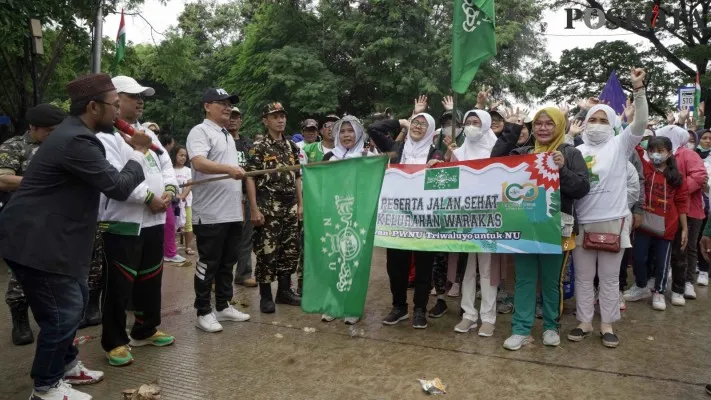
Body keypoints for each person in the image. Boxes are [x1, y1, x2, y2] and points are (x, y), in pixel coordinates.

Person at [0, 73, 152, 400]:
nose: (118, 112)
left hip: (56, 238)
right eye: (113, 105)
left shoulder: (78, 135)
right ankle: (45, 386)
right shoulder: (77, 141)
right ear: (94, 107)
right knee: (62, 314)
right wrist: (138, 153)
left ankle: (66, 366)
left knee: (76, 302)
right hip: (36, 240)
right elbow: (118, 187)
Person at [96, 75, 179, 366]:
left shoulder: (146, 132)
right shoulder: (106, 136)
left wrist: (169, 190)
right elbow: (116, 176)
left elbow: (165, 163)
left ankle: (145, 329)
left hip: (154, 220)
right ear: (115, 100)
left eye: (141, 95)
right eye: (133, 95)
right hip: (124, 221)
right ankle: (114, 341)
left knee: (151, 278)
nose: (140, 100)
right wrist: (148, 197)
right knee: (119, 285)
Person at [491, 107, 589, 350]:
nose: (543, 128)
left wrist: (562, 170)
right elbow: (495, 162)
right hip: (524, 226)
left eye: (549, 124)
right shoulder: (522, 152)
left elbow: (581, 189)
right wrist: (513, 127)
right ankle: (521, 329)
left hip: (556, 228)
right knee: (524, 279)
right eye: (538, 124)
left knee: (551, 280)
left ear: (559, 126)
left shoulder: (570, 152)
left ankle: (550, 327)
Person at [567, 68, 648, 348]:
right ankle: (584, 322)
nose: (598, 124)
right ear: (586, 122)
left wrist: (638, 89)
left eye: (603, 119)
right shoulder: (577, 150)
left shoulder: (619, 144)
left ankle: (607, 324)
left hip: (613, 222)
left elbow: (639, 125)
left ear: (612, 123)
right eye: (593, 119)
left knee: (611, 278)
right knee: (584, 277)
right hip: (582, 223)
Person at [368, 110, 443, 329]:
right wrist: (399, 122)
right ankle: (399, 307)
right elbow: (374, 129)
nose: (418, 127)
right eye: (415, 123)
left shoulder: (435, 152)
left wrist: (436, 164)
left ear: (429, 130)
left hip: (424, 219)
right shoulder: (396, 149)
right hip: (396, 218)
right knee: (395, 266)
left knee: (423, 266)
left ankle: (420, 309)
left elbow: (444, 171)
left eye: (423, 124)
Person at [0, 104, 66, 346]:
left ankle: (55, 321)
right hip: (24, 220)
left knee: (56, 275)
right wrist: (42, 181)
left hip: (58, 220)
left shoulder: (61, 145)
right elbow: (3, 179)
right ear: (33, 128)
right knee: (21, 274)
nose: (53, 134)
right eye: (49, 130)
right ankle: (20, 320)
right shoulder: (15, 146)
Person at [187, 88, 251, 333]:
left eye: (229, 104)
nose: (227, 107)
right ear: (207, 106)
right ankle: (203, 311)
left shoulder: (227, 135)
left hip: (232, 211)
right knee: (208, 263)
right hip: (210, 214)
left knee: (228, 262)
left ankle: (223, 305)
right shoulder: (200, 131)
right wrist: (228, 169)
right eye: (221, 103)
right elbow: (199, 162)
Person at [245, 102, 303, 313]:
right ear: (265, 120)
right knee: (267, 253)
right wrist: (254, 208)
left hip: (289, 209)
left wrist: (300, 204)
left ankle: (285, 292)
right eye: (275, 116)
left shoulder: (291, 147)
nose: (280, 120)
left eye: (282, 116)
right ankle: (266, 296)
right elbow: (250, 178)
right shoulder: (259, 147)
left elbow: (297, 176)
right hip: (268, 209)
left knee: (290, 251)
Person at [449, 110, 499, 336]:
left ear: (486, 125)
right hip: (463, 217)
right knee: (467, 269)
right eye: (467, 122)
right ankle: (469, 314)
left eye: (476, 122)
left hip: (489, 217)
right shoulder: (458, 152)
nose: (471, 126)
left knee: (487, 269)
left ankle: (488, 317)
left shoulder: (495, 149)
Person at [624, 136, 688, 311]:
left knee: (662, 262)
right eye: (651, 150)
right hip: (644, 224)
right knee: (638, 257)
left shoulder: (676, 177)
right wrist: (630, 121)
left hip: (667, 228)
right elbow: (633, 144)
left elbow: (682, 203)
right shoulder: (645, 169)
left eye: (660, 151)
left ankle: (658, 291)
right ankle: (641, 285)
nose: (655, 154)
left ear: (669, 153)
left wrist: (684, 229)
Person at [657, 124, 708, 304]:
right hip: (668, 209)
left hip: (690, 209)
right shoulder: (664, 155)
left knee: (688, 247)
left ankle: (687, 282)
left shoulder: (688, 154)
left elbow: (699, 175)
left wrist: (678, 188)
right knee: (671, 247)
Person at [226, 106, 257, 287]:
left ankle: (244, 273)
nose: (232, 120)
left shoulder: (248, 144)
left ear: (241, 120)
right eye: (230, 116)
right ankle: (220, 276)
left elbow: (254, 169)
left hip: (246, 194)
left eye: (236, 117)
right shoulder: (221, 141)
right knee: (227, 236)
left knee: (247, 236)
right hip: (227, 195)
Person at [171, 145, 196, 255]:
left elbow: (189, 184)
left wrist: (182, 196)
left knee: (188, 224)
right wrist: (175, 196)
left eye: (185, 156)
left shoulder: (188, 170)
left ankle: (188, 247)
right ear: (175, 155)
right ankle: (171, 247)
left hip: (186, 202)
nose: (183, 158)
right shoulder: (170, 170)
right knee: (172, 225)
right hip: (172, 202)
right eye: (181, 155)